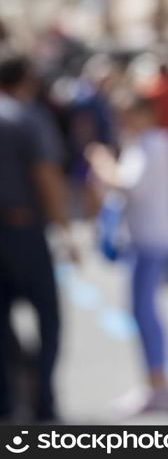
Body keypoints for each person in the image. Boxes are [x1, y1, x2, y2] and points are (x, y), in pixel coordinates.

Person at [87, 91, 168, 413]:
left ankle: (158, 384)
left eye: (129, 113)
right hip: (140, 237)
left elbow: (128, 185)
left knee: (143, 312)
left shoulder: (155, 143)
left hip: (150, 238)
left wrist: (101, 162)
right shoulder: (141, 143)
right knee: (142, 312)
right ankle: (156, 382)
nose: (124, 121)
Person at [0, 49, 77, 422]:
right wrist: (65, 230)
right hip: (22, 229)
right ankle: (42, 400)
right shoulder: (28, 118)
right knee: (49, 318)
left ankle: (8, 399)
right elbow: (47, 176)